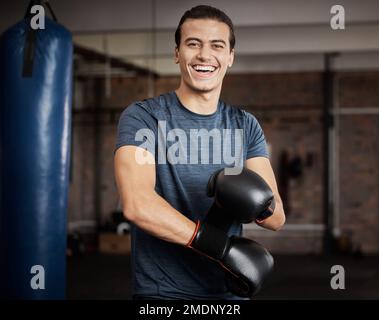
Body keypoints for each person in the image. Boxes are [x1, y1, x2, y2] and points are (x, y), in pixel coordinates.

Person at [114, 5, 286, 300]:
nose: (205, 55)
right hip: (163, 294)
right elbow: (137, 204)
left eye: (217, 46)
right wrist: (221, 246)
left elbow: (276, 217)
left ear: (229, 57)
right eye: (193, 44)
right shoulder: (144, 118)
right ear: (177, 53)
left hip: (228, 292)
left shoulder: (245, 126)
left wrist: (251, 202)